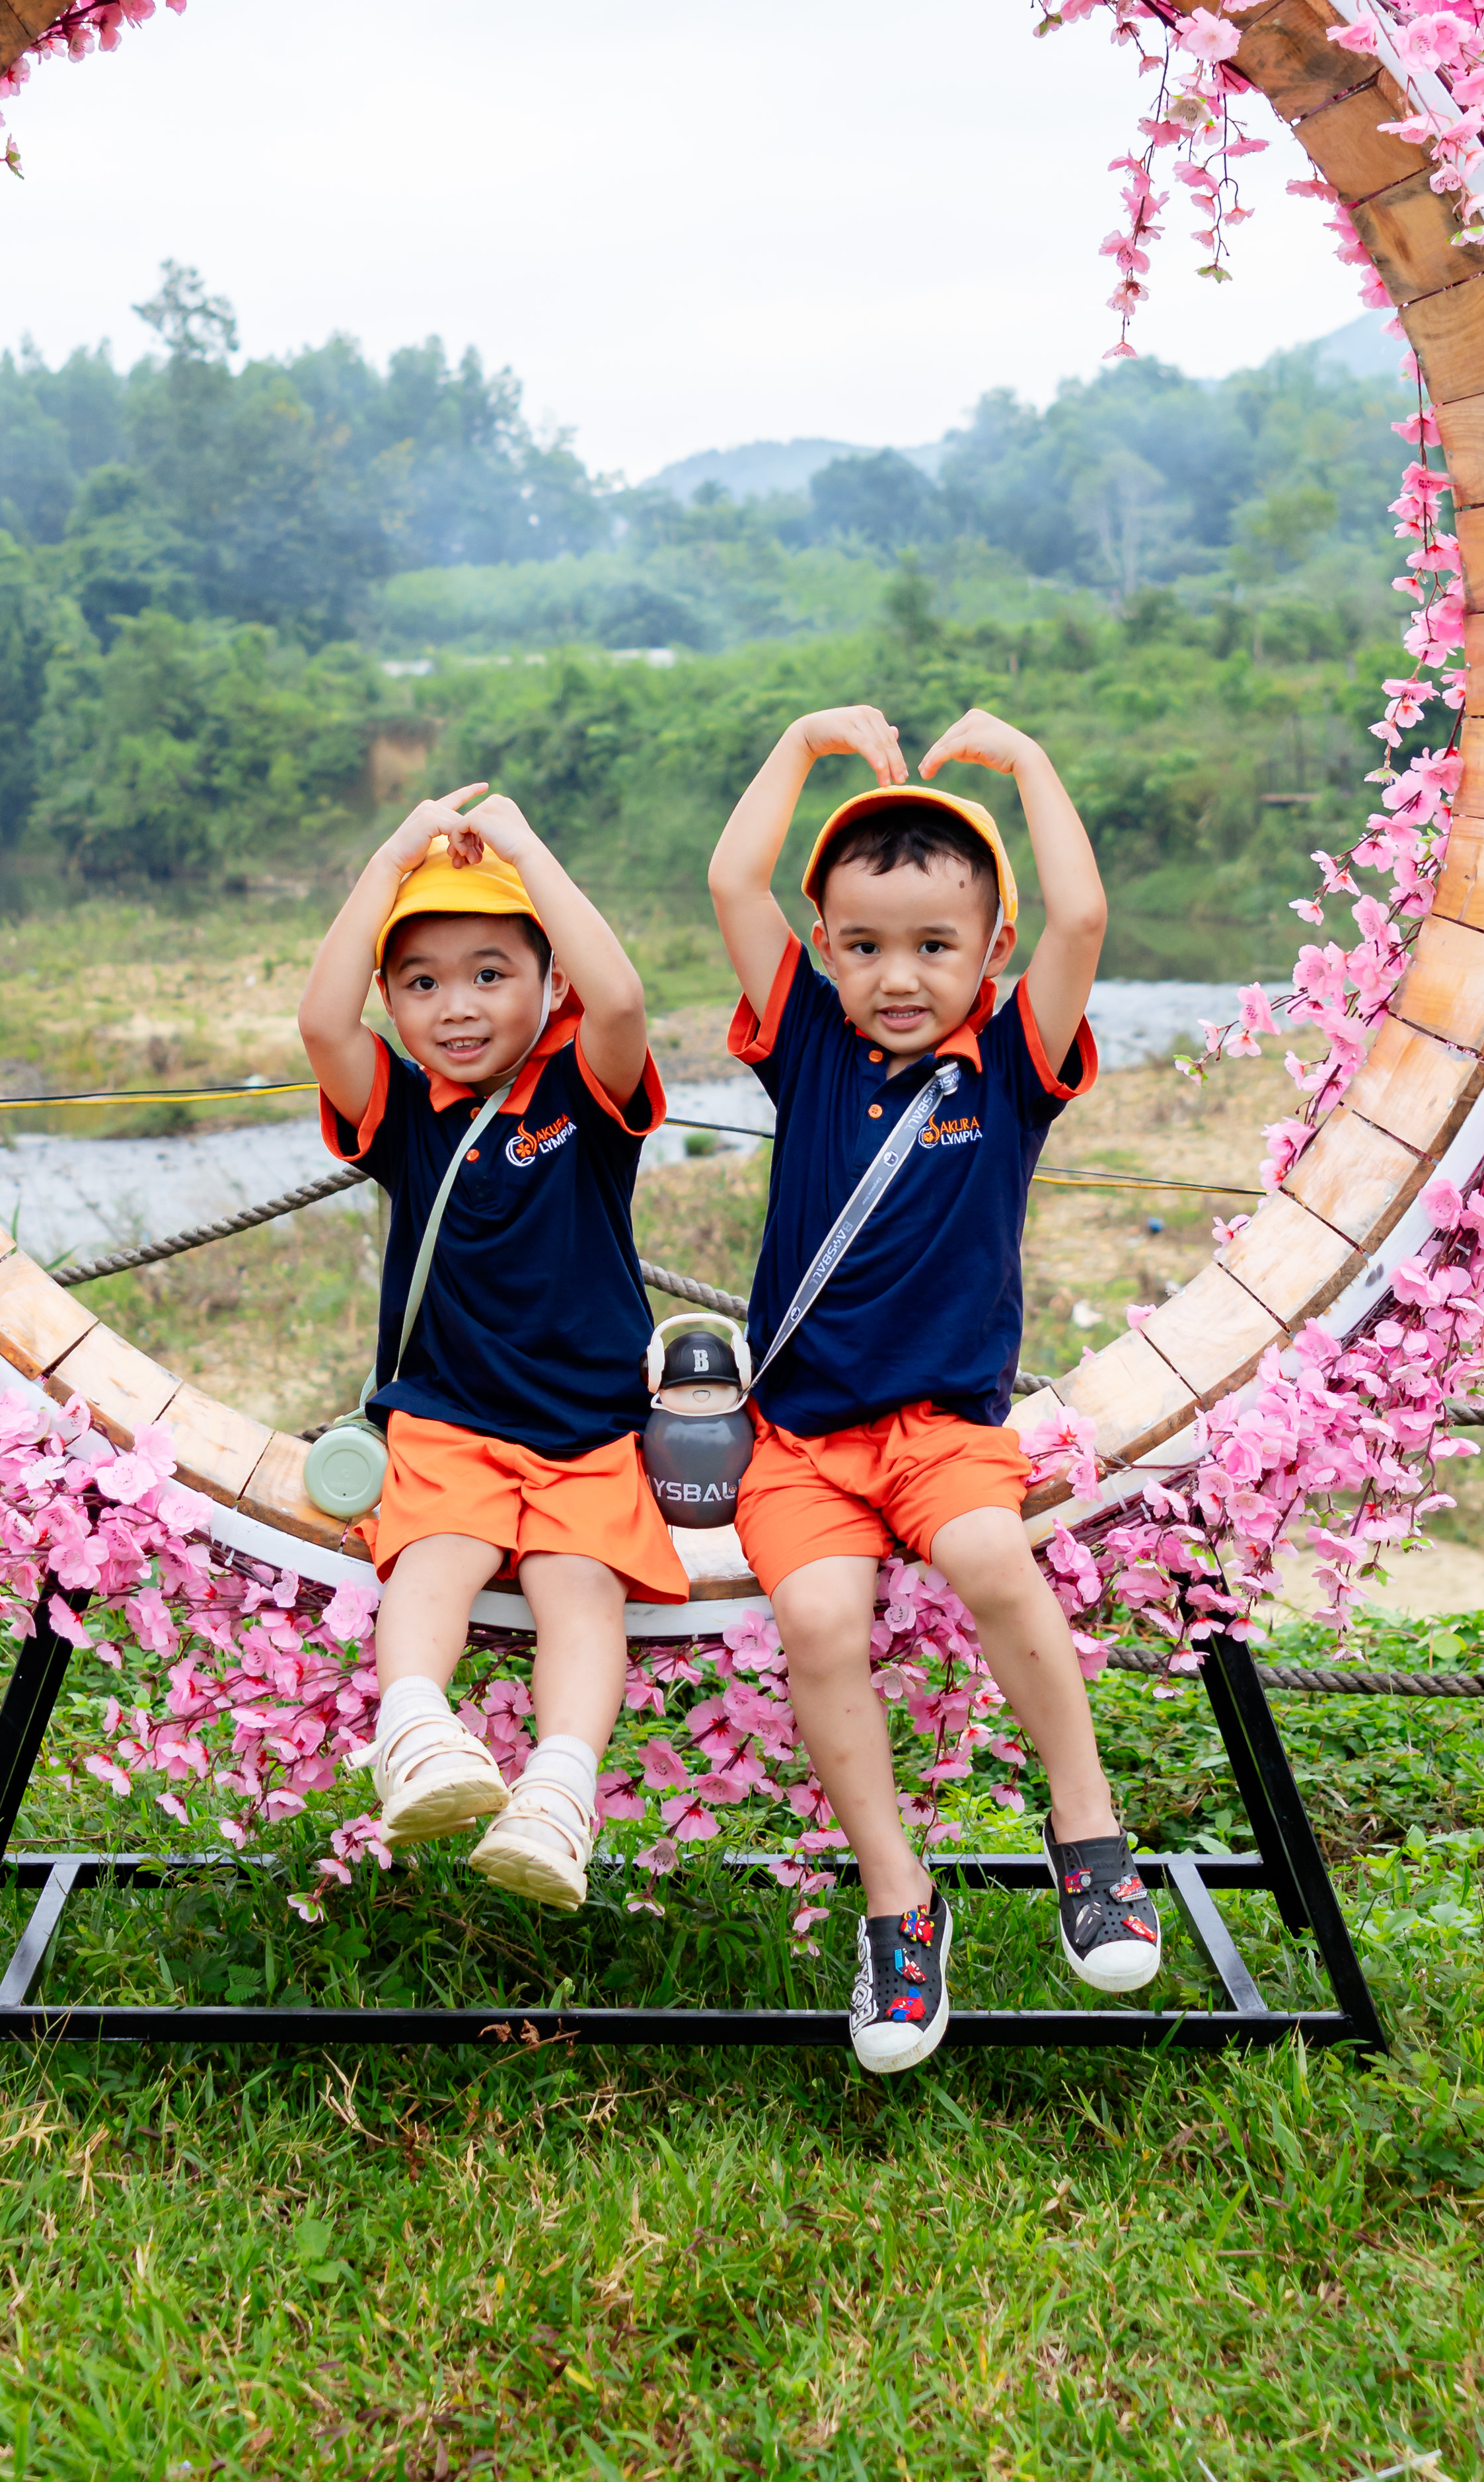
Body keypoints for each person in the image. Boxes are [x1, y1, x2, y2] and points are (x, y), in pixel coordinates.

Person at [708, 703, 1163, 2073]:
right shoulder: (806, 1044)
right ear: (823, 948)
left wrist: (1028, 763)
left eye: (931, 946)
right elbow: (732, 881)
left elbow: (1084, 917)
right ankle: (897, 1907)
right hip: (800, 1442)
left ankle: (1087, 1833)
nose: (894, 976)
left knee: (986, 1555)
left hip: (943, 1427)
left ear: (990, 952)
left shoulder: (1012, 1064)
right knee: (816, 1621)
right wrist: (800, 747)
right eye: (860, 946)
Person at [297, 783, 684, 1914]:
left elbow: (622, 996)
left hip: (588, 1427)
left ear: (548, 982)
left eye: (489, 973)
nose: (455, 1007)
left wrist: (522, 846)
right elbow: (323, 1026)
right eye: (420, 983)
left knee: (581, 1592)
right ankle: (416, 1733)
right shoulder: (405, 1109)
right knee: (433, 1559)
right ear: (390, 998)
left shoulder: (584, 1086)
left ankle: (557, 1797)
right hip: (448, 1412)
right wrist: (390, 854)